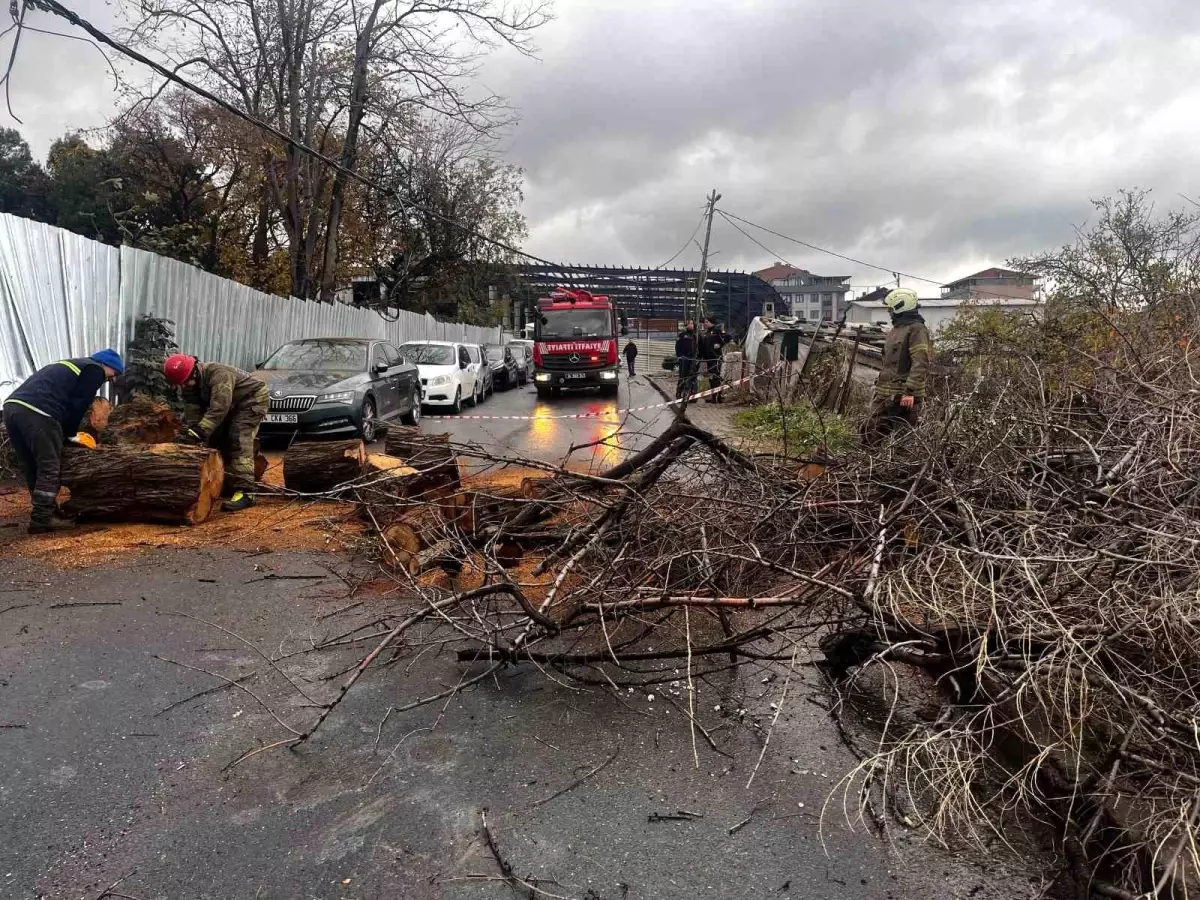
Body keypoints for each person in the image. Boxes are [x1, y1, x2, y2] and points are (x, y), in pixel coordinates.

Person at [2, 349, 123, 533]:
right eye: (115, 374)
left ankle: (47, 511)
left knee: (31, 464)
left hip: (12, 408)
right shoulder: (94, 369)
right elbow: (78, 405)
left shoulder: (73, 364)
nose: (111, 379)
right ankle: (42, 519)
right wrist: (71, 434)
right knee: (50, 465)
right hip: (40, 411)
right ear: (107, 364)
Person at [163, 354, 268, 511]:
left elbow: (220, 407)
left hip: (252, 399)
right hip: (231, 403)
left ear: (195, 372)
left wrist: (201, 430)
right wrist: (193, 434)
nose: (185, 387)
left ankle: (246, 491)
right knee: (216, 438)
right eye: (181, 385)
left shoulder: (218, 374)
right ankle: (226, 481)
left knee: (237, 438)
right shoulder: (189, 385)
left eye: (186, 382)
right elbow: (193, 415)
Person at [861, 288, 932, 446]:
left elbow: (920, 363)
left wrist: (909, 392)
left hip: (903, 395)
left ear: (901, 307)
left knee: (902, 439)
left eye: (891, 308)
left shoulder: (917, 330)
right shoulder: (896, 329)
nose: (889, 311)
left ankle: (900, 468)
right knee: (872, 431)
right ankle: (868, 466)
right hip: (884, 393)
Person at [699, 321, 727, 403]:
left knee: (714, 378)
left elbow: (705, 349)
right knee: (715, 378)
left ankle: (715, 397)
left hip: (712, 360)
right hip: (713, 359)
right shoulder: (712, 336)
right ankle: (716, 397)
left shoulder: (711, 335)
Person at [674, 321, 698, 399]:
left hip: (693, 359)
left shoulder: (696, 335)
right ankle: (679, 392)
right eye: (690, 323)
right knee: (683, 376)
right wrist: (679, 356)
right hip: (684, 359)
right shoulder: (682, 335)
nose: (691, 325)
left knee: (693, 377)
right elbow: (677, 346)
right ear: (686, 326)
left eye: (692, 323)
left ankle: (692, 394)